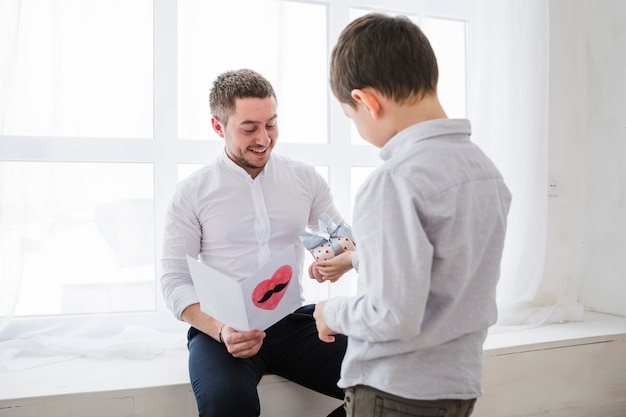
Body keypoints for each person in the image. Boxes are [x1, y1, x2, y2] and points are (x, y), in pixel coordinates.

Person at [313, 13, 512, 417]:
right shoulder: (485, 172)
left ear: (367, 101)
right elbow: (443, 265)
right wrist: (356, 258)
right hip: (457, 387)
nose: (356, 129)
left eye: (352, 119)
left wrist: (329, 312)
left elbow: (392, 315)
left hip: (395, 390)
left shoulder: (394, 181)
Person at [161, 68, 348, 417]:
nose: (264, 138)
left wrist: (332, 260)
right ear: (219, 127)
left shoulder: (303, 179)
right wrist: (221, 331)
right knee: (226, 406)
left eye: (271, 124)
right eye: (249, 128)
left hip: (292, 322)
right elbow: (174, 280)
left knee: (386, 378)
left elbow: (340, 238)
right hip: (222, 332)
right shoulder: (192, 192)